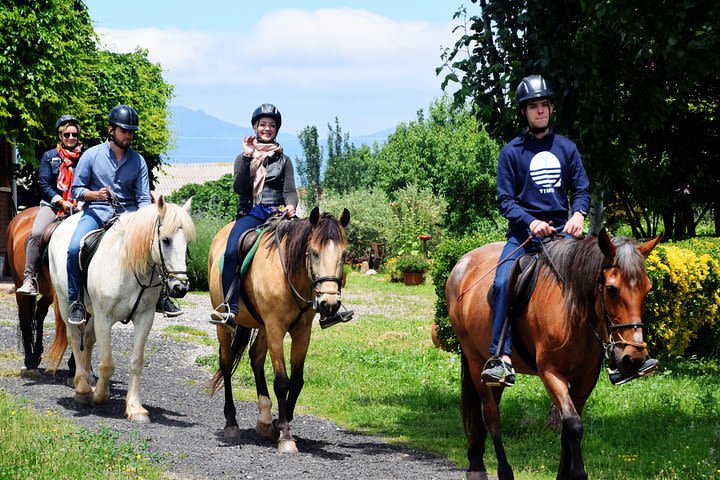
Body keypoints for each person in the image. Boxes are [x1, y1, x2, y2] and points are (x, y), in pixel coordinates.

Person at [209, 103, 298, 330]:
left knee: (309, 245)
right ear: (255, 127)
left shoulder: (284, 161)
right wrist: (248, 158)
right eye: (263, 125)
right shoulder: (243, 157)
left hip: (277, 213)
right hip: (251, 213)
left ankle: (320, 305)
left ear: (276, 129)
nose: (267, 129)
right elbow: (240, 188)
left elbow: (289, 191)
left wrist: (291, 206)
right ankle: (228, 307)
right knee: (230, 251)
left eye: (271, 125)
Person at [65, 105, 152, 325]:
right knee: (75, 247)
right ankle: (75, 300)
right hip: (96, 212)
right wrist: (94, 194)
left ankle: (161, 297)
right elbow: (76, 189)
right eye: (125, 131)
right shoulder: (91, 155)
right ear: (111, 129)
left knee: (155, 246)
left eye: (132, 132)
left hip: (128, 215)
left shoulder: (139, 161)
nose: (129, 135)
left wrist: (144, 220)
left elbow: (143, 198)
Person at [17, 115, 83, 295]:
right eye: (67, 134)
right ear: (60, 136)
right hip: (53, 205)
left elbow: (88, 181)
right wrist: (61, 201)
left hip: (78, 205)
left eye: (74, 134)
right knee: (37, 233)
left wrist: (81, 201)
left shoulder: (84, 158)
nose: (71, 138)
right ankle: (30, 279)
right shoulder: (49, 156)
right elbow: (44, 185)